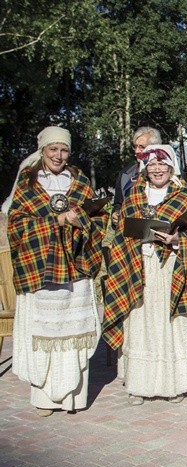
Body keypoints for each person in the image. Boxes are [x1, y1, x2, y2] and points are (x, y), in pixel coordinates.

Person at [8, 126, 107, 416]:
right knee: (44, 333)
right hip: (41, 270)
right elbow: (15, 226)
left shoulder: (79, 182)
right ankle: (44, 399)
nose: (58, 155)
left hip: (76, 268)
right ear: (42, 151)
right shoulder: (28, 185)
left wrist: (82, 224)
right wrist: (57, 222)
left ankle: (73, 398)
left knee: (73, 332)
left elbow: (99, 220)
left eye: (63, 150)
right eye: (53, 149)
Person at [103, 145, 187, 405]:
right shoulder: (133, 197)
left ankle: (178, 384)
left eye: (162, 164)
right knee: (144, 325)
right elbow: (120, 235)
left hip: (172, 267)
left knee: (173, 325)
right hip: (140, 267)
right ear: (144, 168)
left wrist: (177, 239)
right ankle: (140, 384)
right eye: (151, 164)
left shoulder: (183, 196)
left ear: (171, 166)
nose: (157, 169)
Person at [111, 127, 163, 228]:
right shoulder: (125, 174)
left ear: (155, 148)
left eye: (142, 147)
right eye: (135, 147)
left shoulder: (166, 174)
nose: (137, 151)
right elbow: (118, 202)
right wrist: (115, 213)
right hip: (128, 232)